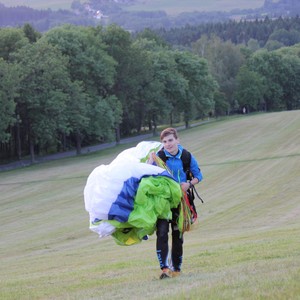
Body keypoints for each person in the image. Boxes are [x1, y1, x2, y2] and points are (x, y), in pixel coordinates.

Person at [155, 127, 203, 279]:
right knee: (162, 233)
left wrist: (188, 184)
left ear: (177, 140)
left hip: (181, 202)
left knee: (178, 235)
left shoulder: (186, 156)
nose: (168, 144)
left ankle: (177, 269)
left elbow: (199, 175)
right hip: (164, 201)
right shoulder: (159, 156)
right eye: (164, 141)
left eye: (170, 140)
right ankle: (164, 269)